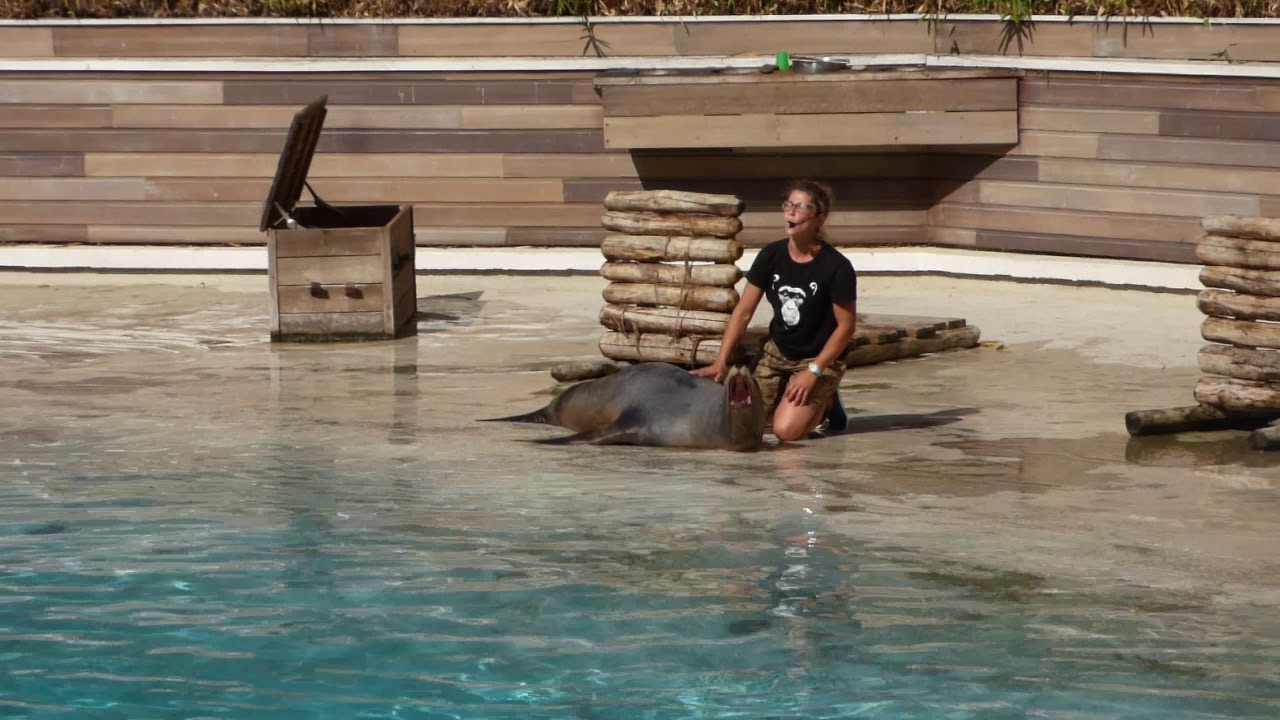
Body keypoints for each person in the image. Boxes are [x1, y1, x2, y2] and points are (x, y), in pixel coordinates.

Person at [691, 180, 857, 441]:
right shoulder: (771, 255)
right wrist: (720, 362)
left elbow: (846, 327)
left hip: (817, 357)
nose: (790, 212)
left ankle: (826, 405)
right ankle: (801, 398)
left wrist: (813, 372)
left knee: (785, 431)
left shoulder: (836, 267)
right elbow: (744, 311)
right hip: (777, 352)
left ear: (820, 219)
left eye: (801, 207)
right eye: (788, 205)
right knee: (744, 424)